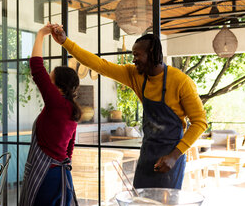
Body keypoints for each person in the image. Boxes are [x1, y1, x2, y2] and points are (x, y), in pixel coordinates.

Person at [50, 25, 207, 189]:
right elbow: (99, 65)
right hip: (147, 153)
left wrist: (174, 156)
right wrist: (65, 42)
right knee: (139, 204)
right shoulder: (135, 75)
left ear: (152, 53)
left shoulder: (181, 81)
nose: (134, 60)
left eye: (137, 55)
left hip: (172, 156)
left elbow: (200, 122)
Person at [16, 24, 81, 206]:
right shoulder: (71, 109)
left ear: (57, 85)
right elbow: (69, 149)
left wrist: (41, 34)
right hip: (61, 177)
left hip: (45, 177)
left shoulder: (55, 102)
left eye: (50, 76)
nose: (48, 77)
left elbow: (36, 66)